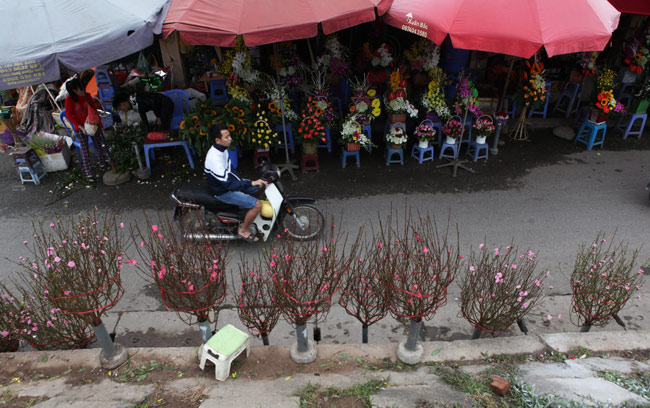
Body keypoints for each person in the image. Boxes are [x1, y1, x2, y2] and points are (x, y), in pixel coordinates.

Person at [205, 124, 268, 242]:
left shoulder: (222, 150)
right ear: (217, 140)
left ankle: (244, 215)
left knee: (257, 188)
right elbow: (227, 184)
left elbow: (231, 171)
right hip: (222, 191)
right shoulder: (214, 158)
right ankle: (243, 230)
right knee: (257, 205)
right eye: (227, 137)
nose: (230, 139)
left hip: (227, 185)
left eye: (229, 136)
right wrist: (249, 183)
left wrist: (248, 183)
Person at [64, 78, 111, 182]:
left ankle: (103, 163)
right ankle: (88, 173)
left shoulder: (87, 96)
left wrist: (100, 126)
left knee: (98, 144)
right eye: (80, 90)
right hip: (80, 128)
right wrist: (80, 126)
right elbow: (69, 116)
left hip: (92, 124)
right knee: (85, 150)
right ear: (75, 90)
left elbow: (94, 111)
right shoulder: (69, 100)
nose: (83, 92)